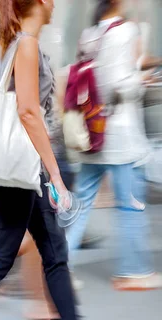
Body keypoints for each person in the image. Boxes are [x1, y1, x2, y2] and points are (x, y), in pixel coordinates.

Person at [0, 0, 79, 319]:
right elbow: (28, 112)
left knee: (54, 255)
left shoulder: (18, 43)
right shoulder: (26, 44)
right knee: (1, 259)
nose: (53, 3)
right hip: (20, 170)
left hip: (24, 170)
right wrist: (55, 175)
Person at [65, 0, 161, 291]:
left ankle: (57, 269)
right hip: (121, 137)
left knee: (79, 206)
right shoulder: (126, 30)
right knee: (131, 205)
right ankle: (133, 271)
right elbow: (119, 84)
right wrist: (142, 80)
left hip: (92, 134)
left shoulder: (90, 34)